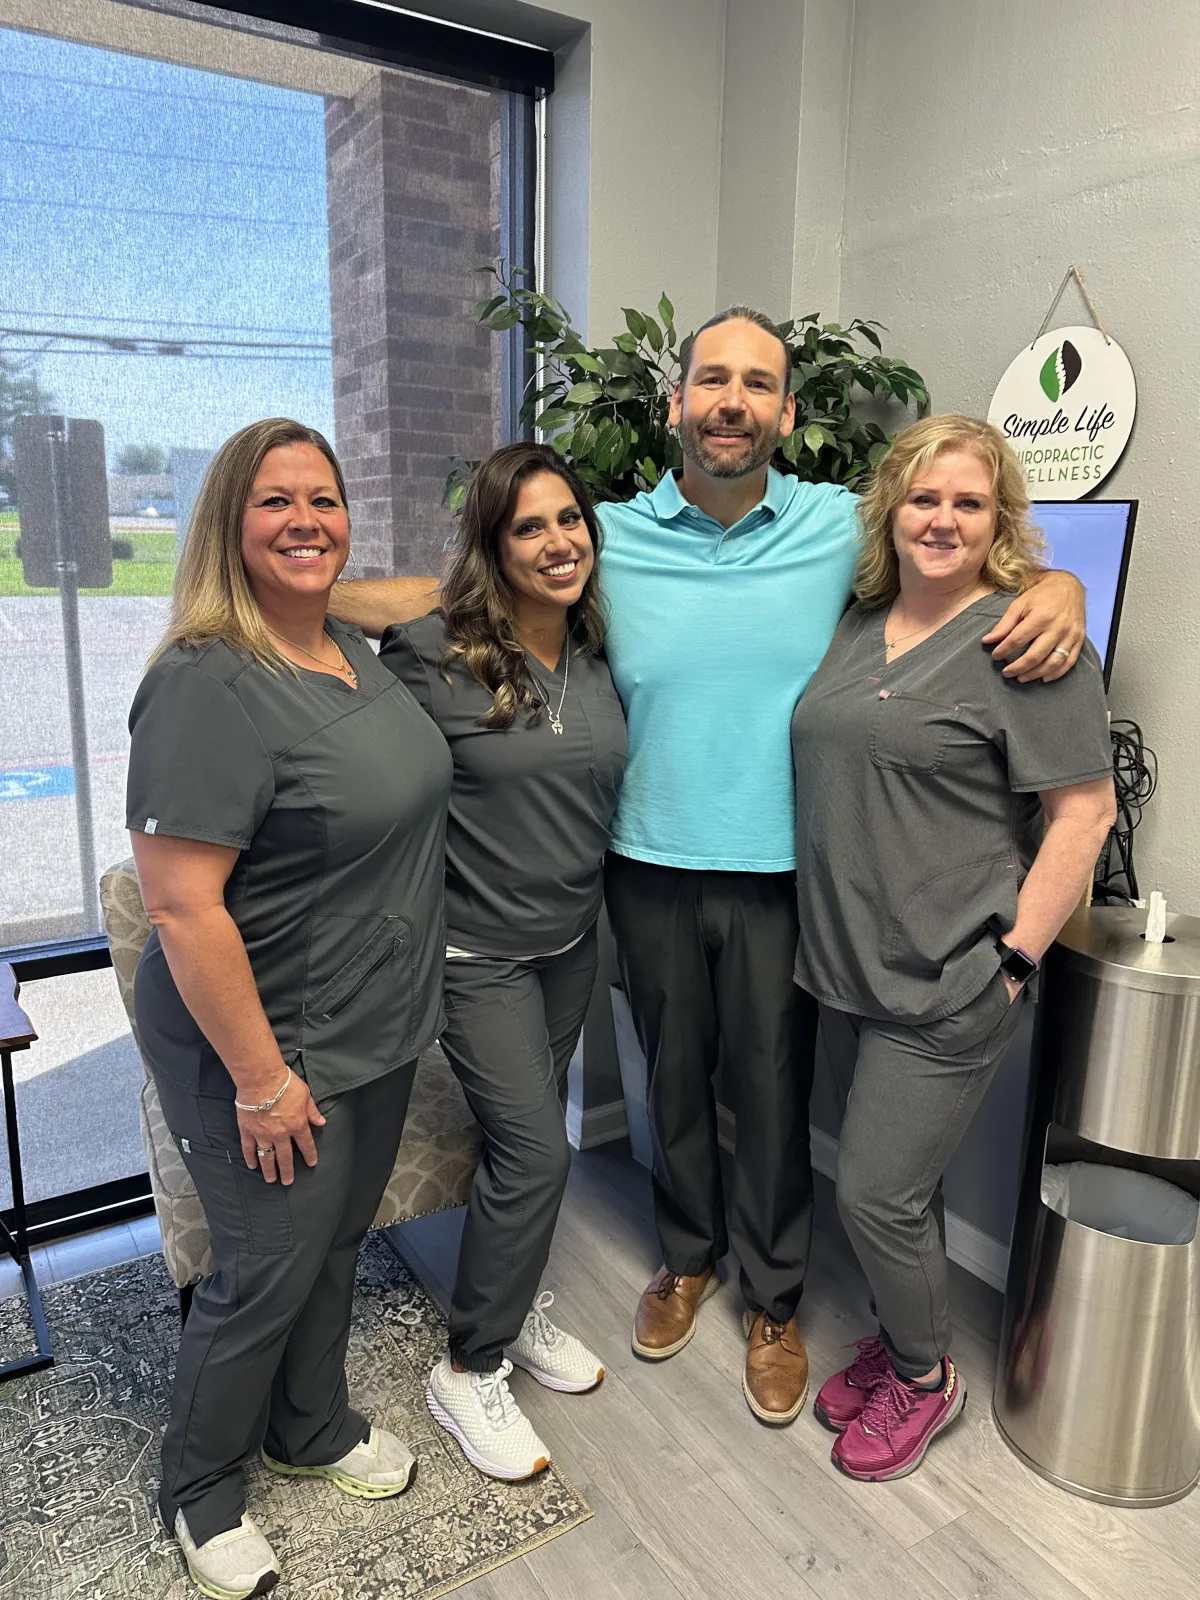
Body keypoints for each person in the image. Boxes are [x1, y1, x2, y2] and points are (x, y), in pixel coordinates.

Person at [329, 306, 1087, 1426]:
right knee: (672, 1080)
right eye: (713, 380)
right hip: (643, 864)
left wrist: (1059, 588)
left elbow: (961, 553)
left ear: (786, 411)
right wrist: (294, 599)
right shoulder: (608, 535)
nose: (733, 401)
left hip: (785, 874)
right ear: (678, 401)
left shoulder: (840, 526)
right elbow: (464, 591)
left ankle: (775, 1300)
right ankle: (687, 1257)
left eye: (758, 383)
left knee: (774, 1091)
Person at [127, 419, 452, 1600]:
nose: (306, 519)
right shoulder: (205, 683)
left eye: (325, 499)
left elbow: (421, 592)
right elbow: (181, 907)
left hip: (370, 1020)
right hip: (257, 1038)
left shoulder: (347, 648)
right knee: (266, 1265)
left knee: (334, 1242)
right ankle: (201, 1491)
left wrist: (332, 582)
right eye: (274, 501)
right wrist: (262, 1082)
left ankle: (308, 1427)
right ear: (228, 519)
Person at [794, 415, 1115, 1481]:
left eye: (969, 502)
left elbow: (1085, 815)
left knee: (871, 1194)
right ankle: (905, 1335)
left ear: (999, 519)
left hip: (949, 978)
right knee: (904, 1189)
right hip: (847, 969)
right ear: (891, 511)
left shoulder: (1029, 642)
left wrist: (1013, 963)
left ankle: (926, 1380)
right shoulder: (858, 622)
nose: (943, 520)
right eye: (924, 498)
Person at [378, 442, 625, 1481]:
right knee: (538, 1152)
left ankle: (511, 1308)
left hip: (569, 944)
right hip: (474, 954)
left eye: (570, 519)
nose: (558, 541)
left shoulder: (600, 651)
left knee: (513, 1141)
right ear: (492, 544)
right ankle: (469, 1367)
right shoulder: (435, 657)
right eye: (529, 526)